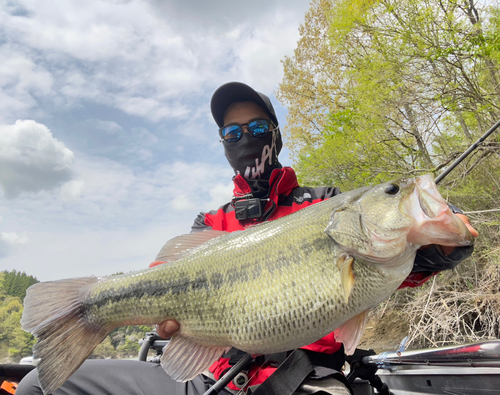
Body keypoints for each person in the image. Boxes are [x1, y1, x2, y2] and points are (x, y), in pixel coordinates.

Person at [17, 82, 478, 395]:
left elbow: (400, 266)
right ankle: (94, 306)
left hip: (306, 380)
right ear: (222, 144)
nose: (246, 140)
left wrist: (438, 247)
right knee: (39, 384)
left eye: (257, 128)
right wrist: (160, 321)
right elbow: (165, 285)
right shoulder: (210, 222)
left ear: (275, 134)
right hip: (213, 378)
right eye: (232, 133)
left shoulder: (328, 206)